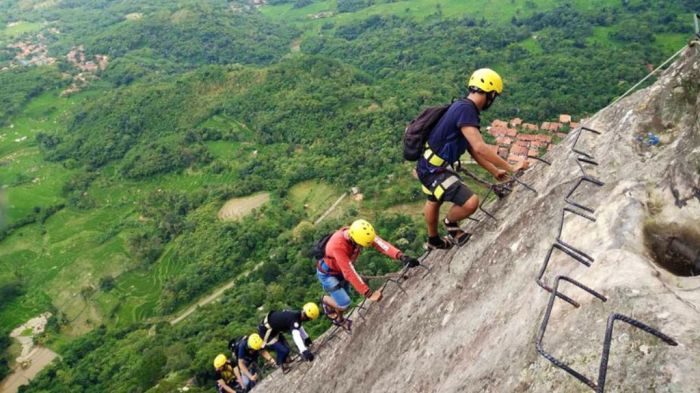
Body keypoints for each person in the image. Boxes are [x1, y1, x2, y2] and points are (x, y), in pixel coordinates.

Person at [415, 68, 528, 250]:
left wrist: (494, 171)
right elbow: (480, 147)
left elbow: (472, 150)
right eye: (494, 96)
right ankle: (451, 224)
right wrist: (512, 167)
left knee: (433, 200)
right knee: (470, 202)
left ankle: (433, 240)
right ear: (490, 93)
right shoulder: (467, 110)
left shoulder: (460, 106)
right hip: (434, 171)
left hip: (426, 165)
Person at [316, 219, 419, 330]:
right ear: (354, 239)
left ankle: (339, 319)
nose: (362, 247)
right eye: (361, 245)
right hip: (328, 274)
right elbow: (349, 272)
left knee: (342, 299)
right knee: (345, 302)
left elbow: (382, 244)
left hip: (341, 269)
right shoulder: (338, 246)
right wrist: (368, 293)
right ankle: (325, 300)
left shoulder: (360, 233)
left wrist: (402, 256)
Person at [257, 302, 319, 368]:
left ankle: (286, 359)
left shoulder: (297, 314)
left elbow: (298, 326)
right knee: (284, 351)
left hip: (274, 329)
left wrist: (306, 338)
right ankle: (281, 364)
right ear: (306, 317)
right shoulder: (294, 319)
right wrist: (304, 351)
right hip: (266, 333)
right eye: (309, 319)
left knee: (287, 348)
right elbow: (296, 336)